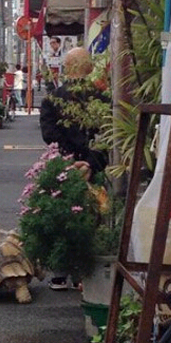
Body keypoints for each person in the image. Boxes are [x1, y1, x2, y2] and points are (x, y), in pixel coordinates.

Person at [39, 47, 109, 290]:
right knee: (93, 217)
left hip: (64, 166)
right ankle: (84, 274)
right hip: (93, 166)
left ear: (66, 68)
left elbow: (50, 136)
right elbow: (106, 137)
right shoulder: (102, 99)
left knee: (62, 214)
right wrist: (89, 162)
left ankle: (59, 274)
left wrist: (70, 159)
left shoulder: (52, 100)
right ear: (89, 68)